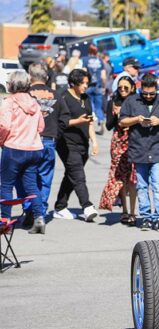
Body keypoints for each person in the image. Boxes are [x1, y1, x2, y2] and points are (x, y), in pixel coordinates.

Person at [119, 73, 159, 232]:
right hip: (139, 150)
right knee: (142, 187)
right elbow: (122, 121)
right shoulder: (132, 101)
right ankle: (145, 217)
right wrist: (136, 119)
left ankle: (158, 217)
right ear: (140, 90)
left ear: (157, 90)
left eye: (152, 93)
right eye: (145, 94)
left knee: (158, 185)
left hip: (158, 150)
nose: (149, 96)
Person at [16, 63, 70, 228]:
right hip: (48, 141)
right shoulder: (56, 95)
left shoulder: (24, 95)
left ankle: (29, 209)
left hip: (27, 141)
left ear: (30, 77)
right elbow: (65, 117)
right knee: (44, 179)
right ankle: (40, 212)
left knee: (25, 177)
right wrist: (55, 134)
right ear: (46, 77)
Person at [0, 71, 46, 234]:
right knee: (32, 185)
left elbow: (4, 126)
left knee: (6, 185)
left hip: (14, 148)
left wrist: (1, 141)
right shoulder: (35, 103)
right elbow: (41, 127)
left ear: (11, 84)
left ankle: (5, 223)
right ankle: (39, 218)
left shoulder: (9, 102)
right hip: (34, 148)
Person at [53, 68, 100, 222]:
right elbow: (61, 122)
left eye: (87, 83)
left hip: (83, 143)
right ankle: (87, 206)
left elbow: (90, 121)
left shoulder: (86, 98)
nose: (85, 86)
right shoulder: (63, 97)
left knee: (71, 175)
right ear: (73, 83)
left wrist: (94, 141)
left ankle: (60, 207)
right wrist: (78, 121)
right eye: (82, 83)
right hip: (66, 143)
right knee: (78, 175)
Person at [99, 76, 137, 224]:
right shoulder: (112, 102)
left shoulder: (136, 102)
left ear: (132, 88)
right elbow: (108, 126)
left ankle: (133, 212)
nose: (122, 90)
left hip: (134, 141)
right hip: (118, 142)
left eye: (126, 88)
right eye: (120, 87)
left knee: (133, 178)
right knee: (120, 177)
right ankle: (125, 211)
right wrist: (116, 116)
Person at [82, 44, 107, 134]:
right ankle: (101, 119)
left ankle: (92, 117)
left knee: (89, 103)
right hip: (98, 86)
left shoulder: (85, 59)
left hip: (88, 85)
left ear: (89, 51)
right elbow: (103, 76)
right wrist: (104, 86)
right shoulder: (100, 60)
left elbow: (84, 72)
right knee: (98, 106)